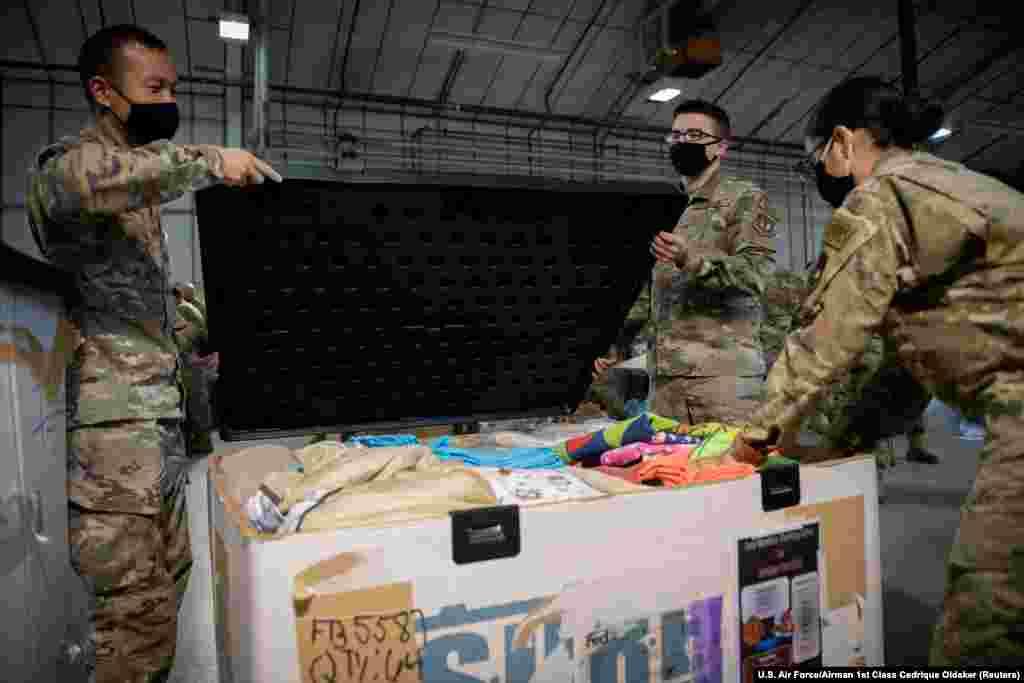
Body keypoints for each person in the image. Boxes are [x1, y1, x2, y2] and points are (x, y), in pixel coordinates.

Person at [729, 76, 1024, 665]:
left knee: (988, 602)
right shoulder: (950, 185)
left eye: (818, 157)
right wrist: (842, 446)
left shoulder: (883, 195)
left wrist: (747, 442)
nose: (822, 172)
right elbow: (909, 366)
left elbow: (827, 336)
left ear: (841, 142)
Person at [26, 24, 281, 683]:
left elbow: (142, 316)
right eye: (155, 88)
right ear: (103, 92)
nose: (169, 100)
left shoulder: (137, 204)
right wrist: (207, 161)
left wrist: (198, 321)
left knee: (162, 608)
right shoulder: (75, 167)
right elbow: (79, 183)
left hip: (159, 438)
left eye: (174, 87)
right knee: (132, 629)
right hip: (117, 453)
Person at [592, 100, 779, 425]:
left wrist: (691, 259)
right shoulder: (663, 206)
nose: (683, 143)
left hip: (722, 383)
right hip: (664, 383)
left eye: (694, 135)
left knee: (729, 473)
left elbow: (756, 276)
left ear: (720, 147)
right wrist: (613, 342)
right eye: (676, 136)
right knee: (667, 472)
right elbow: (649, 289)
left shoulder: (744, 198)